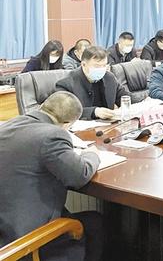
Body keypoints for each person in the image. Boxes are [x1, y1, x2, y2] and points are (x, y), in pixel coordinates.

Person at [0, 91, 103, 261]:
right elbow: (79, 175)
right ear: (68, 124)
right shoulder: (52, 135)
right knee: (95, 223)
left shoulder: (7, 126)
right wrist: (92, 155)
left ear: (42, 106)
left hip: (4, 230)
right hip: (28, 242)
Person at [56, 46, 127, 120]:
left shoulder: (109, 78)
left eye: (104, 65)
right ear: (83, 64)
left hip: (109, 123)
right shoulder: (67, 83)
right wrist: (94, 112)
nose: (101, 69)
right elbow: (65, 110)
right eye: (97, 66)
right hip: (84, 125)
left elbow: (124, 96)